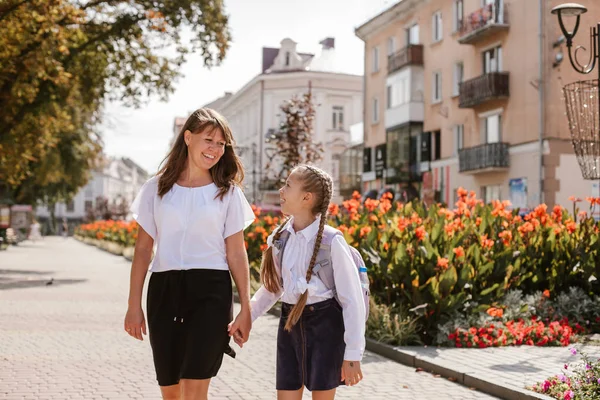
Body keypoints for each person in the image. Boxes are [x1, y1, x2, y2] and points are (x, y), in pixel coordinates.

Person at [124, 108, 255, 400]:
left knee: (195, 389)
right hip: (164, 290)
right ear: (188, 137)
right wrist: (134, 304)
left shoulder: (228, 193)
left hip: (211, 292)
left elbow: (236, 253)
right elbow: (143, 250)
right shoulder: (155, 189)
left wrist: (246, 308)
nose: (215, 149)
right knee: (171, 391)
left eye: (221, 144)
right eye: (209, 140)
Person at [235, 165, 365, 400]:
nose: (281, 190)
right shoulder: (281, 238)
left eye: (287, 185)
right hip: (289, 325)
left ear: (307, 197)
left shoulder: (331, 241)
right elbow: (273, 288)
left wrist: (353, 355)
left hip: (326, 328)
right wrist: (247, 316)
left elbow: (352, 301)